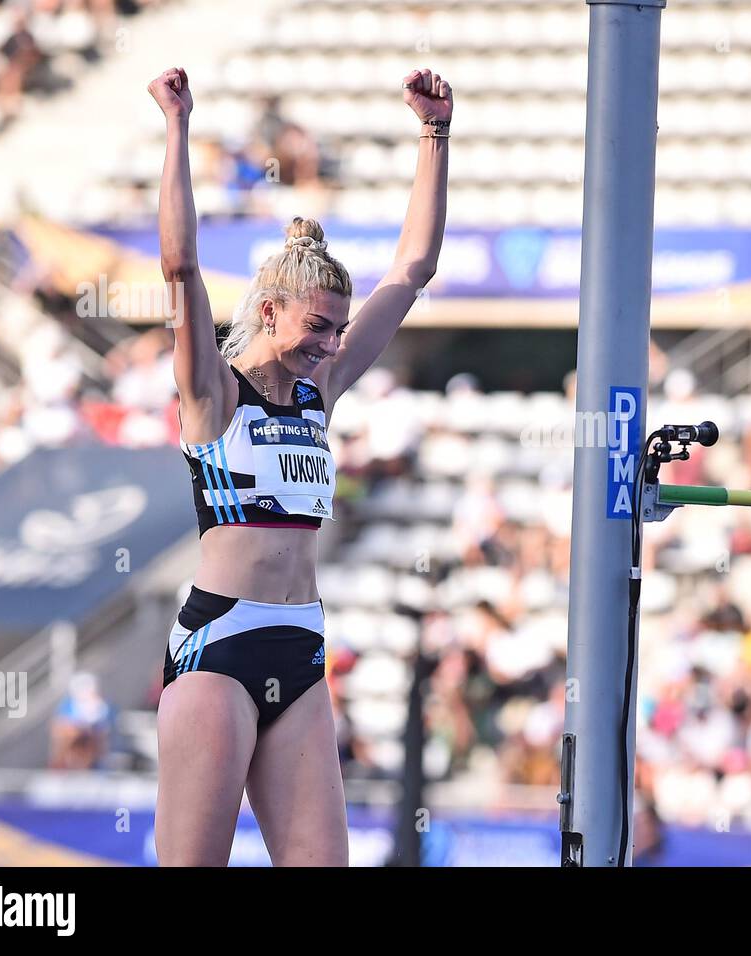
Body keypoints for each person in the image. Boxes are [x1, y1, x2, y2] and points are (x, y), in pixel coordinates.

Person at [148, 64, 450, 866]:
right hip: (221, 646)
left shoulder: (325, 389)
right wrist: (177, 127)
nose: (330, 344)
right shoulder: (214, 391)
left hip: (301, 649)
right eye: (318, 327)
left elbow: (412, 269)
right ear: (271, 309)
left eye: (338, 331)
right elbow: (179, 270)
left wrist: (434, 133)